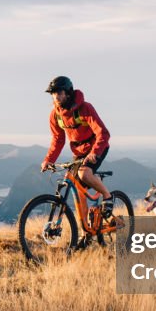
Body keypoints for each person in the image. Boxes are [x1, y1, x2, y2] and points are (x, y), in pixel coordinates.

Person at [40, 75, 114, 217]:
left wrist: (95, 152)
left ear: (68, 93)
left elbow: (103, 133)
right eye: (53, 94)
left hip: (97, 147)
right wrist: (49, 160)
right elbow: (58, 139)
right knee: (77, 192)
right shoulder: (55, 115)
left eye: (59, 93)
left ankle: (107, 196)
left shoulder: (85, 108)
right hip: (79, 152)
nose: (56, 97)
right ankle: (85, 232)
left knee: (84, 173)